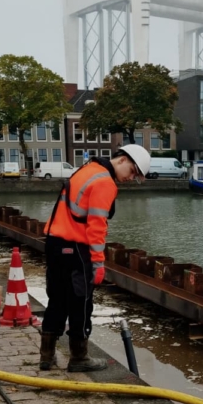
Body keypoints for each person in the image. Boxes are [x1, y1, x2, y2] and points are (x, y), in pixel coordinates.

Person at [39, 144, 151, 372]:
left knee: (57, 300)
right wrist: (98, 263)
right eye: (132, 172)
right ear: (122, 160)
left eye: (137, 176)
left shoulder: (87, 169)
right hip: (76, 247)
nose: (131, 178)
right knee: (81, 303)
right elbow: (96, 226)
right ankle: (79, 358)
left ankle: (46, 357)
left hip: (54, 243)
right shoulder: (105, 183)